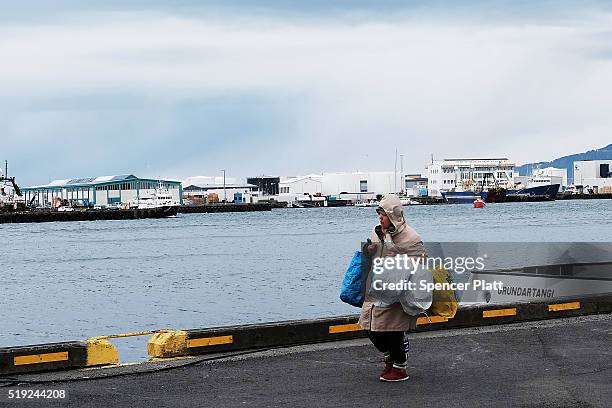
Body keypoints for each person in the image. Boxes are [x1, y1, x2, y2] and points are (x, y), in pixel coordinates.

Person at [358, 194, 425, 382]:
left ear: (393, 215)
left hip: (399, 292)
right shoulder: (377, 233)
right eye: (378, 213)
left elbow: (420, 264)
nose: (380, 217)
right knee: (369, 326)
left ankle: (399, 367)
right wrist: (368, 251)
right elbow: (372, 256)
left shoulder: (411, 237)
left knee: (394, 329)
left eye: (383, 214)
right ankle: (389, 357)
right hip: (377, 288)